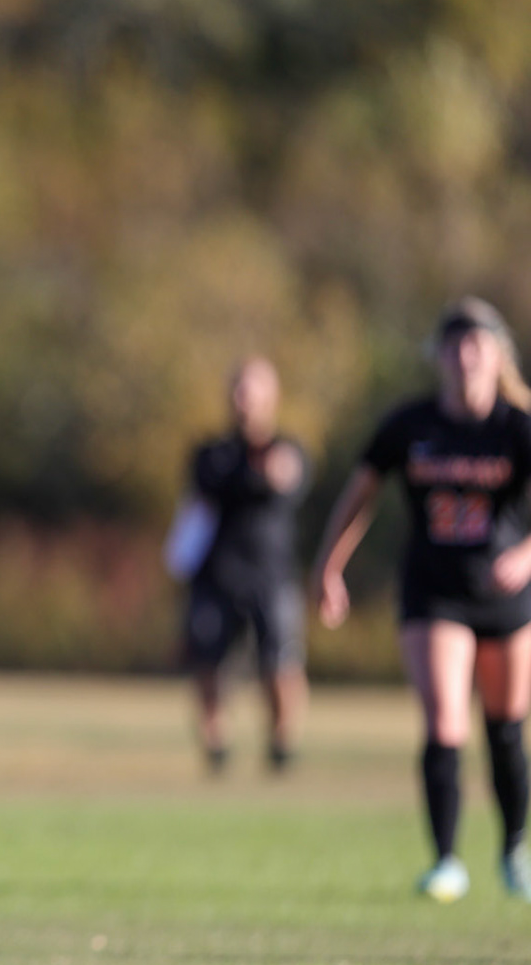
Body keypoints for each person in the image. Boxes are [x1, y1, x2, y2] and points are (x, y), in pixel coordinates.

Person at [312, 298, 531, 904]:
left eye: (477, 345)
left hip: (505, 598)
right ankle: (447, 862)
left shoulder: (517, 427)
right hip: (433, 593)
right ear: (438, 356)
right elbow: (359, 494)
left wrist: (526, 555)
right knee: (444, 721)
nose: (465, 356)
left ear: (496, 355)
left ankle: (514, 850)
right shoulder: (410, 425)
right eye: (454, 345)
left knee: (506, 728)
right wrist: (329, 565)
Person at [178, 358, 309, 773]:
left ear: (272, 397)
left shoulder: (290, 449)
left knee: (279, 663)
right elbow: (206, 490)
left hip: (272, 575)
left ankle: (282, 743)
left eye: (252, 392)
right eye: (238, 391)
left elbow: (287, 480)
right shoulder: (211, 453)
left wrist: (267, 474)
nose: (244, 401)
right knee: (209, 663)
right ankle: (216, 745)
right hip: (217, 574)